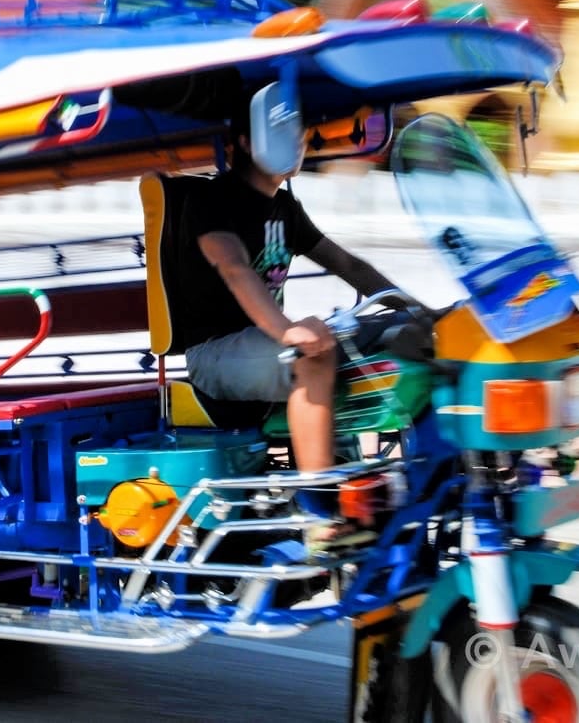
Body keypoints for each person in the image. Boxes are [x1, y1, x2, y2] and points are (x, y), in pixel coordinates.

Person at [175, 119, 415, 475]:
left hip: (261, 343)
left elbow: (347, 264)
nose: (299, 142)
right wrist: (287, 331)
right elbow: (234, 268)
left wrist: (418, 310)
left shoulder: (285, 207)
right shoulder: (211, 199)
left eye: (299, 133)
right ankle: (320, 503)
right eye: (283, 133)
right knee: (314, 355)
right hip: (213, 353)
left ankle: (377, 481)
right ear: (246, 140)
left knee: (400, 336)